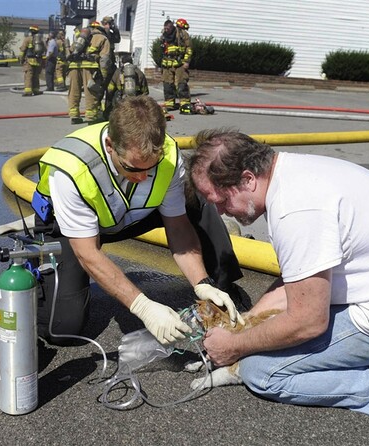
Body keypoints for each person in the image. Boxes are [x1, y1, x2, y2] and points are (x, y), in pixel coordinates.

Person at [188, 130, 369, 416]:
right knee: (267, 331)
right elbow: (299, 278)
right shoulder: (296, 171)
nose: (222, 212)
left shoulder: (296, 211)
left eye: (221, 200)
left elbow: (308, 322)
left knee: (260, 371)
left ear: (247, 179)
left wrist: (234, 346)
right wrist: (248, 323)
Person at [32, 96, 243, 346]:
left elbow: (178, 226)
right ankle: (41, 281)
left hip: (129, 214)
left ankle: (220, 290)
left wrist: (201, 283)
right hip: (73, 231)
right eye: (132, 168)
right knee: (64, 329)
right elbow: (88, 253)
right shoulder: (71, 169)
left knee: (199, 200)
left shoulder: (166, 157)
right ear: (111, 146)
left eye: (150, 168)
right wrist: (143, 306)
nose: (143, 177)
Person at [81, 21, 113, 123]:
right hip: (94, 67)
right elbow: (104, 59)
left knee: (82, 91)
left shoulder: (86, 37)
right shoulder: (103, 38)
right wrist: (103, 74)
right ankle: (92, 117)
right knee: (93, 92)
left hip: (81, 66)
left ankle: (77, 115)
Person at [103, 54, 149, 120]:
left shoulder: (118, 72)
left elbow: (110, 88)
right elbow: (145, 91)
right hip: (135, 100)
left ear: (122, 62)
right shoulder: (139, 72)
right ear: (131, 61)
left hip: (121, 100)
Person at [161, 18, 192, 112]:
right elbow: (163, 50)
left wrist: (186, 61)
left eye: (168, 29)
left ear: (172, 27)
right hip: (167, 64)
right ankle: (170, 103)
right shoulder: (163, 36)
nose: (166, 30)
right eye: (165, 28)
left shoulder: (182, 34)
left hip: (180, 63)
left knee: (181, 83)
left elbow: (189, 48)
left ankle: (185, 103)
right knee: (167, 83)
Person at [67, 26, 87, 124]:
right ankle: (91, 117)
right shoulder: (91, 40)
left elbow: (68, 53)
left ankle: (74, 116)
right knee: (90, 92)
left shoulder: (75, 43)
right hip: (88, 68)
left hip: (74, 67)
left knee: (74, 91)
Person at [18, 25, 45, 96]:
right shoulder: (41, 41)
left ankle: (28, 91)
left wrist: (21, 59)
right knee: (36, 76)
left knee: (28, 75)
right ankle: (36, 90)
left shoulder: (27, 39)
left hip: (29, 61)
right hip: (37, 61)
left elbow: (23, 50)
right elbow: (44, 50)